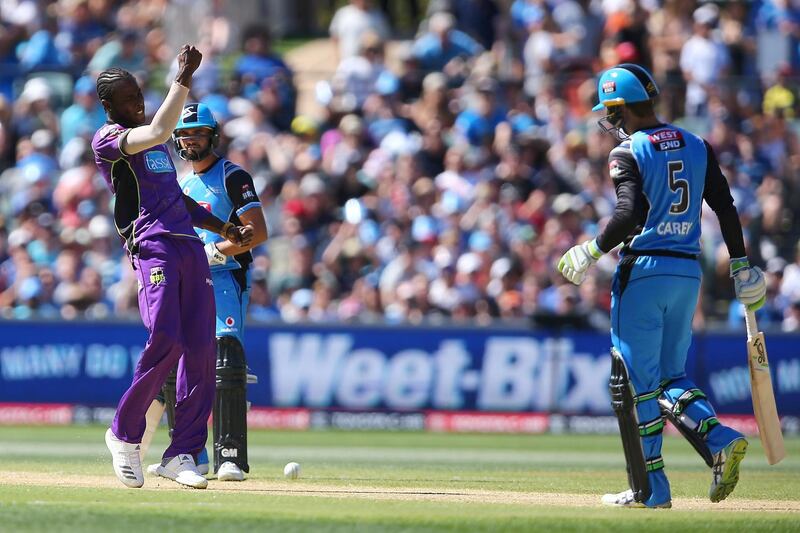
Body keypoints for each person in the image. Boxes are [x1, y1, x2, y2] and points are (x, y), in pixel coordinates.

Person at [557, 64, 766, 508]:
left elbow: (629, 214)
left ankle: (652, 489)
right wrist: (742, 265)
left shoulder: (628, 151)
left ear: (619, 109)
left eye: (610, 112)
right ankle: (719, 439)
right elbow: (725, 207)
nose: (609, 120)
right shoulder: (697, 143)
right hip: (687, 273)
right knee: (673, 378)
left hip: (644, 270)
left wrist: (590, 250)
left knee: (635, 385)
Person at [92, 45, 254, 489]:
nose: (138, 105)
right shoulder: (110, 140)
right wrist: (182, 77)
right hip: (153, 246)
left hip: (189, 247)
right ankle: (124, 435)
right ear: (109, 107)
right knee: (165, 338)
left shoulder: (156, 148)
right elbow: (164, 127)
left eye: (139, 96)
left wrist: (225, 224)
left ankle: (182, 452)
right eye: (128, 100)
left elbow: (178, 199)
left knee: (200, 349)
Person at [141, 102, 268, 482]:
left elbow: (257, 232)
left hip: (227, 277)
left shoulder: (233, 176)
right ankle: (189, 455)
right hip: (189, 280)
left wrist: (214, 251)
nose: (190, 140)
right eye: (184, 135)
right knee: (176, 362)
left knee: (225, 359)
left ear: (213, 136)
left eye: (197, 133)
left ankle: (230, 456)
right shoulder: (182, 183)